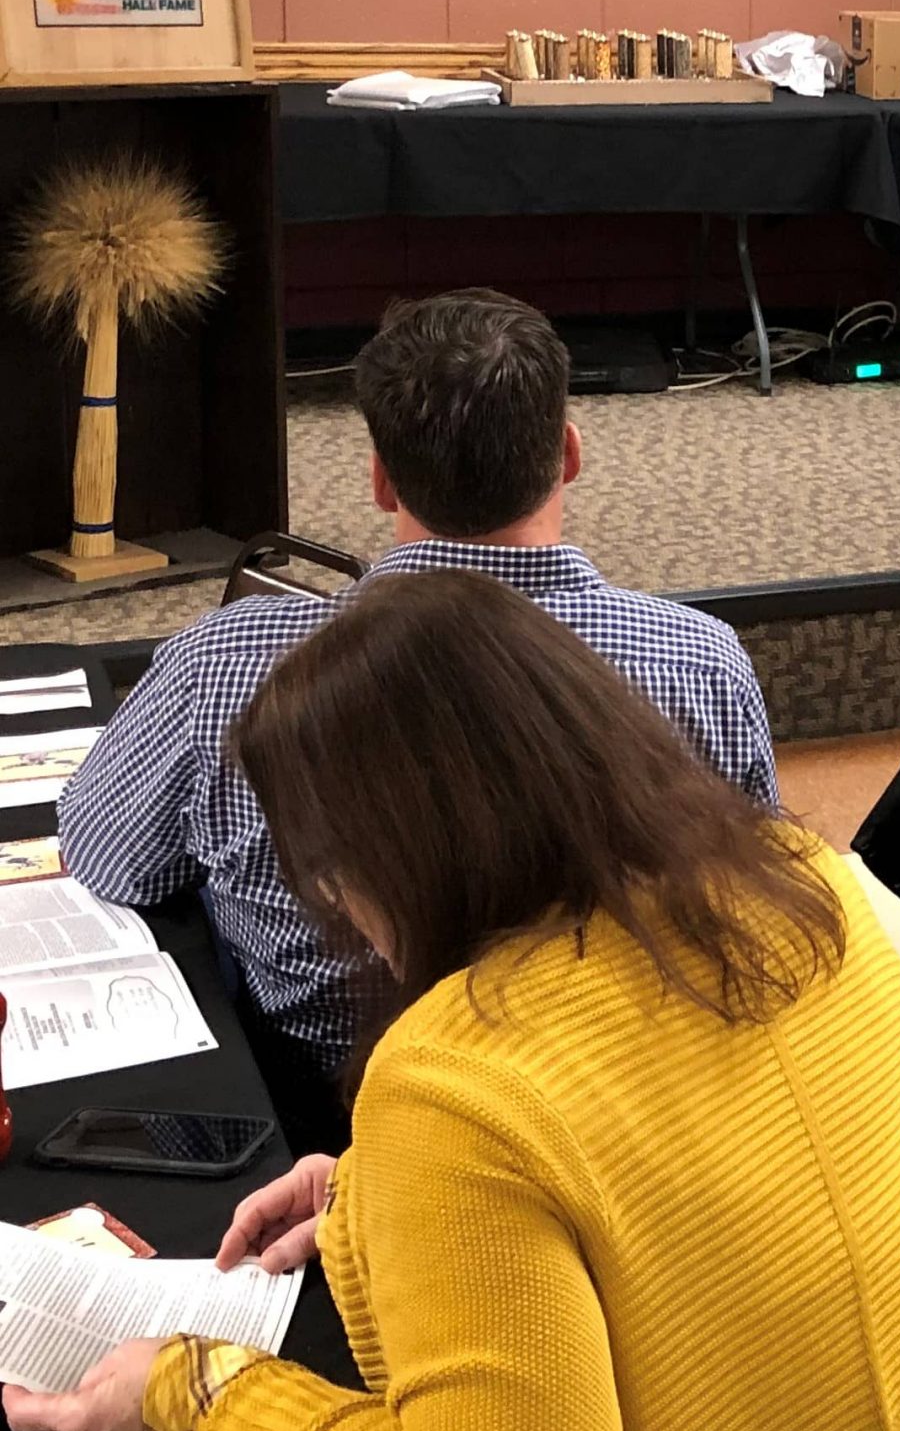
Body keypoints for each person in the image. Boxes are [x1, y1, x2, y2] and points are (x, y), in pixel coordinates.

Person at [4, 572, 900, 1431]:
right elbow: (682, 1184)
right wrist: (381, 1203)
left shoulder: (453, 1083)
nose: (344, 919)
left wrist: (193, 1402)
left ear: (395, 858)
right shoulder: (799, 885)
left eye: (327, 875)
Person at [57, 289, 778, 1148]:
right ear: (570, 455)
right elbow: (747, 904)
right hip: (614, 1129)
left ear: (379, 477)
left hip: (323, 1126)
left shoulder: (227, 663)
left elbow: (108, 861)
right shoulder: (701, 663)